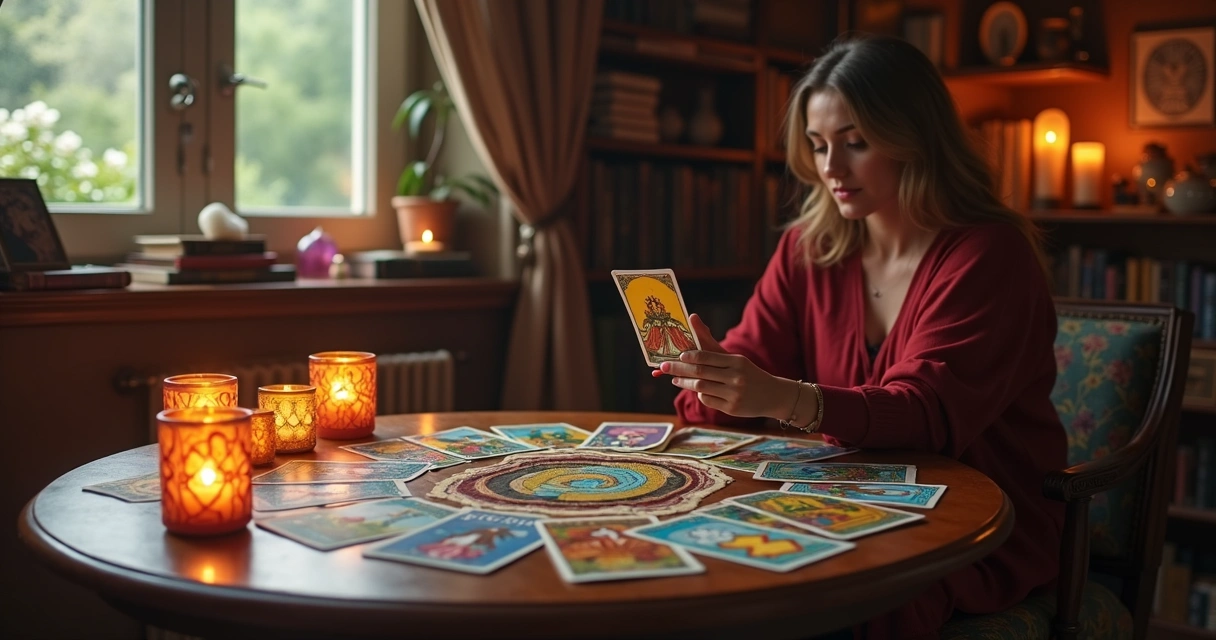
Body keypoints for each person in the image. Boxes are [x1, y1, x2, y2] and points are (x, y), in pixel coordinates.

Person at [656, 34, 1066, 639]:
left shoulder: (988, 255)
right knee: (700, 564)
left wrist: (779, 398)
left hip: (974, 521)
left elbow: (927, 414)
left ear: (918, 139)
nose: (831, 169)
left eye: (856, 143)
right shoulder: (807, 248)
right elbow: (740, 378)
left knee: (864, 597)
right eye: (819, 146)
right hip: (841, 505)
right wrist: (711, 377)